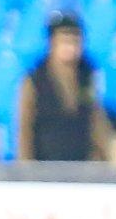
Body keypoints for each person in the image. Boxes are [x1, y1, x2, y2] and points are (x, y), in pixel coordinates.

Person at [17, 10, 110, 162]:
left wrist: (102, 158)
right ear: (52, 43)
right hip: (45, 165)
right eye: (64, 41)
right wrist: (27, 167)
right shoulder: (35, 80)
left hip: (82, 165)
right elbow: (25, 127)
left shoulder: (86, 76)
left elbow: (96, 119)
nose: (70, 48)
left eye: (74, 42)